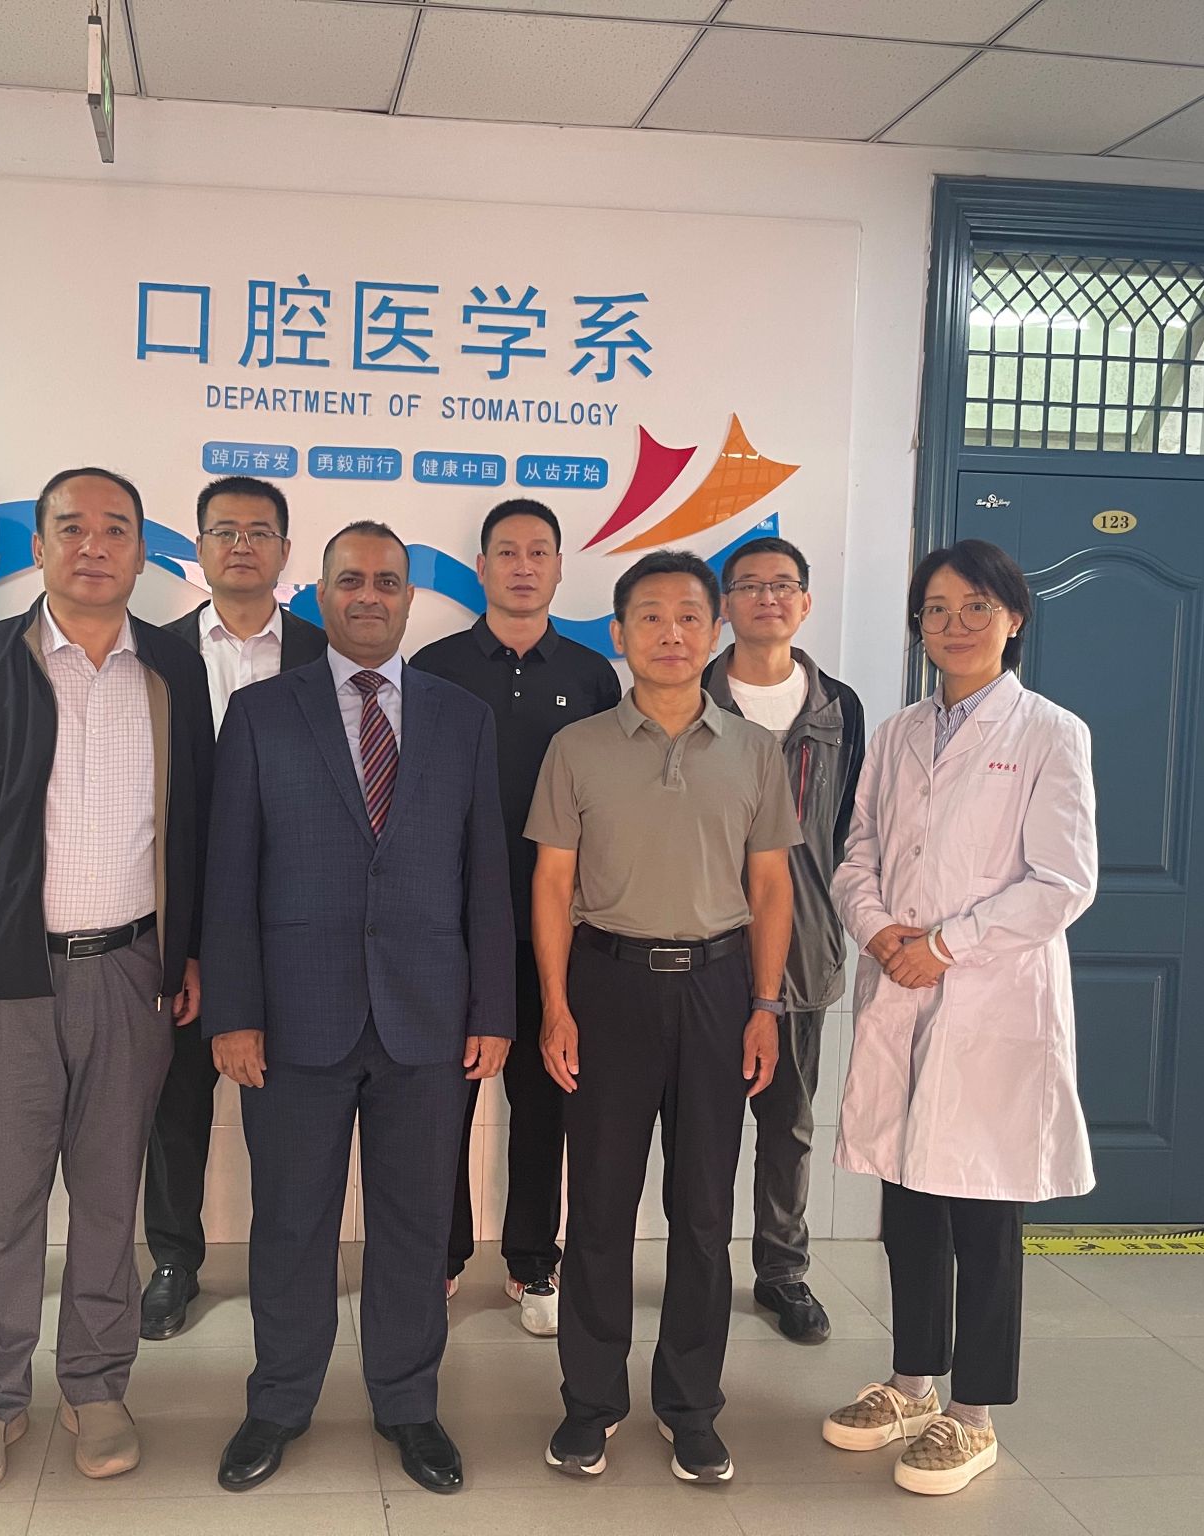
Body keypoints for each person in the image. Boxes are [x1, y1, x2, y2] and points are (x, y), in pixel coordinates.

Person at [0, 467, 212, 1495]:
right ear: (37, 548)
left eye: (115, 529)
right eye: (71, 528)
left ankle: (96, 1384)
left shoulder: (172, 668)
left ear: (141, 552)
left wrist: (188, 953)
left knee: (107, 1196)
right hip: (6, 980)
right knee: (5, 1204)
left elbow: (193, 824)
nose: (94, 546)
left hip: (130, 972)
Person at [202, 521, 514, 1496]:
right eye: (349, 580)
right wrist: (232, 1013)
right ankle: (278, 1401)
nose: (368, 595)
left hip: (429, 1018)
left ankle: (408, 1403)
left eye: (386, 581)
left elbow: (486, 876)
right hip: (294, 1018)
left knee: (415, 1225)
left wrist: (493, 1008)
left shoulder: (462, 719)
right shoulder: (260, 714)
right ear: (319, 594)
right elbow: (228, 875)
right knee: (290, 1222)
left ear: (409, 597)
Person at [822, 538, 1097, 1497]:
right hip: (901, 983)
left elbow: (1063, 881)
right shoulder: (899, 732)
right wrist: (877, 929)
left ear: (1014, 618)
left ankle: (973, 1415)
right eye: (937, 609)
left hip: (990, 998)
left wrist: (944, 944)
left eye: (977, 606)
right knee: (909, 1199)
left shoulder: (1051, 732)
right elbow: (856, 851)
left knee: (981, 1208)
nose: (955, 624)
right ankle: (911, 1385)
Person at [530, 550, 798, 1486]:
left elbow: (772, 889)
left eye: (689, 616)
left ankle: (691, 1408)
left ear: (715, 631)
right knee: (600, 1208)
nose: (671, 634)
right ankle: (589, 1404)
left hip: (720, 992)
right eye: (650, 616)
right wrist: (556, 1006)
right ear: (620, 634)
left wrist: (765, 1005)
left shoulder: (756, 753)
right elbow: (552, 883)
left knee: (703, 1211)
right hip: (607, 987)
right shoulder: (577, 747)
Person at [410, 499, 620, 1333]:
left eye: (539, 551)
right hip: (451, 927)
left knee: (545, 1100)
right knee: (442, 1103)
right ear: (482, 568)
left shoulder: (594, 675)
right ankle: (440, 1256)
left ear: (561, 567)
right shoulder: (433, 667)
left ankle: (534, 1262)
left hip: (558, 929)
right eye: (507, 552)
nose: (523, 566)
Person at [142, 475, 326, 1342]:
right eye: (225, 531)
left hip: (294, 922)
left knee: (288, 1109)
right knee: (173, 1102)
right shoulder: (155, 654)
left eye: (260, 531)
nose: (242, 545)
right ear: (200, 549)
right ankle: (173, 1259)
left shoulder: (327, 654)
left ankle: (285, 1263)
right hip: (177, 914)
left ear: (286, 551)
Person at [696, 535, 864, 1344]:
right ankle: (698, 1268)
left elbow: (851, 831)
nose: (768, 597)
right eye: (750, 585)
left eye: (783, 585)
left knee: (788, 1125)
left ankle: (782, 1272)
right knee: (700, 1126)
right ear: (725, 604)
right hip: (702, 944)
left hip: (801, 949)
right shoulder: (688, 694)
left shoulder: (840, 709)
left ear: (805, 602)